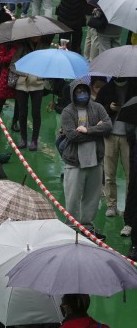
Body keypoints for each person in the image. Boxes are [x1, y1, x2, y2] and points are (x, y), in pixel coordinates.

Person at [59, 79, 111, 236]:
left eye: (84, 91)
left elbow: (108, 126)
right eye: (78, 92)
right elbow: (72, 135)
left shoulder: (97, 107)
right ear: (73, 94)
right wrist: (97, 130)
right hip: (75, 162)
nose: (82, 94)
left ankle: (87, 227)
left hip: (95, 161)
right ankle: (72, 228)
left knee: (92, 198)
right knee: (73, 199)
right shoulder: (67, 112)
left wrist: (87, 130)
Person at [95, 77, 133, 219]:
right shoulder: (106, 89)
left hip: (129, 136)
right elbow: (97, 110)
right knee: (109, 174)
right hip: (110, 135)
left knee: (131, 175)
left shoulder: (134, 87)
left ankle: (128, 207)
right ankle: (112, 204)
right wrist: (108, 108)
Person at [10, 37, 47, 150]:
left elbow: (47, 66)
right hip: (22, 84)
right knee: (22, 112)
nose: (35, 37)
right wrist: (25, 72)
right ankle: (23, 139)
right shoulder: (21, 46)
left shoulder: (44, 48)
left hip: (37, 84)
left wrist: (37, 74)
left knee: (36, 113)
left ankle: (34, 140)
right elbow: (12, 65)